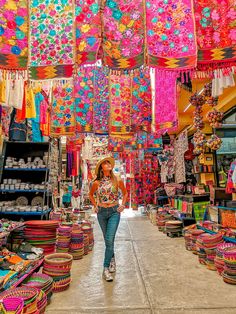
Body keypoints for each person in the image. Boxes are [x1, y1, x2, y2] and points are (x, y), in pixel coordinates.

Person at [89, 156, 128, 282]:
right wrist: (95, 205)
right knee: (108, 241)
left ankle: (105, 268)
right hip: (101, 213)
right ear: (101, 167)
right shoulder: (96, 183)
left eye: (108, 163)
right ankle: (112, 259)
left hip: (114, 212)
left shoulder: (117, 180)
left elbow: (125, 193)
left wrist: (123, 205)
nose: (108, 164)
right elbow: (91, 194)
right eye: (105, 163)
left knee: (109, 239)